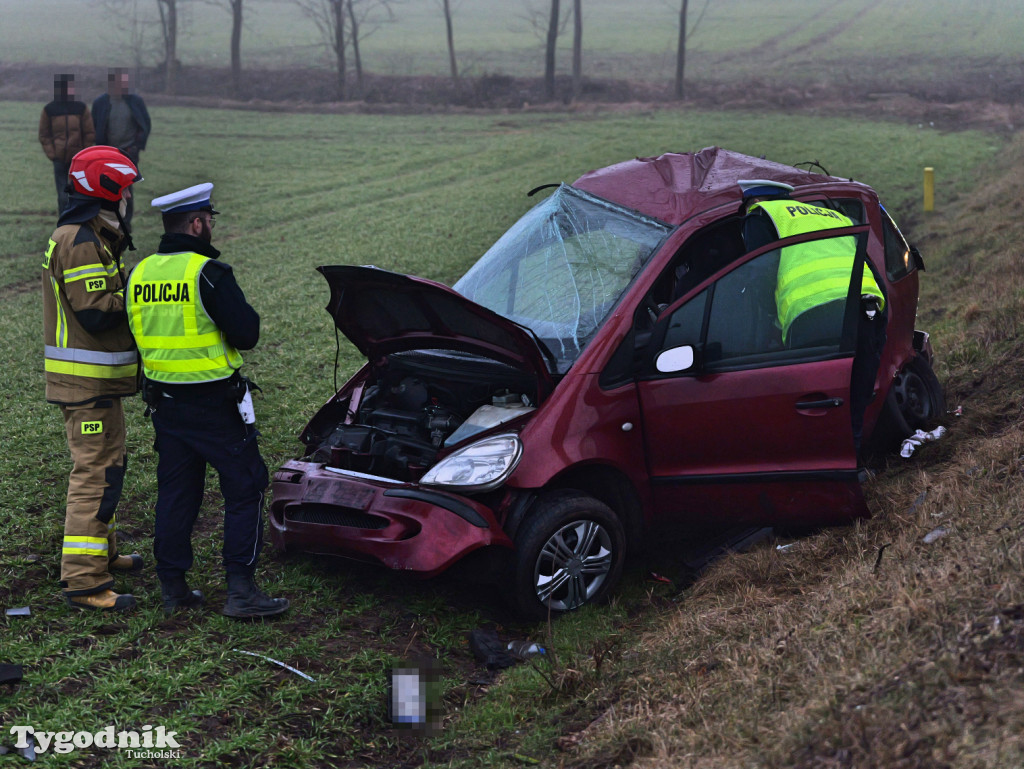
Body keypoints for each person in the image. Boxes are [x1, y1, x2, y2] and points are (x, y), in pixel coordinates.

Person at [125, 183, 289, 619]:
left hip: (166, 405)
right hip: (216, 404)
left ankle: (173, 588)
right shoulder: (207, 273)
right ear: (196, 223)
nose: (212, 226)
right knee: (245, 488)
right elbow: (247, 333)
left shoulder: (139, 274)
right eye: (210, 219)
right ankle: (241, 591)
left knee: (177, 495)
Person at [42, 145, 144, 612]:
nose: (130, 201)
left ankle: (103, 553)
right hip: (86, 386)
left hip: (96, 383)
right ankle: (85, 582)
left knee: (109, 467)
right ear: (109, 192)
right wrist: (141, 294)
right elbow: (97, 311)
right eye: (126, 192)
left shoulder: (92, 234)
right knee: (95, 475)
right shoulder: (80, 239)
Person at [739, 179, 887, 453]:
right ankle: (852, 470)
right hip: (864, 309)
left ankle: (826, 473)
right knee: (854, 395)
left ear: (754, 201)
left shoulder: (762, 215)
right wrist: (880, 323)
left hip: (812, 316)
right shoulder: (834, 215)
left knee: (814, 403)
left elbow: (759, 273)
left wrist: (769, 316)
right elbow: (871, 268)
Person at [92, 69, 151, 228]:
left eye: (125, 82)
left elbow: (145, 124)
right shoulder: (101, 103)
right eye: (120, 82)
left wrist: (136, 146)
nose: (124, 85)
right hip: (107, 153)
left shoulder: (135, 102)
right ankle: (108, 221)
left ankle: (126, 224)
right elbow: (95, 126)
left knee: (126, 189)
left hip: (128, 153)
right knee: (106, 188)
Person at [38, 74, 94, 214]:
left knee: (79, 193)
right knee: (62, 196)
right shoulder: (49, 109)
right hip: (59, 158)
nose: (70, 90)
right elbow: (44, 135)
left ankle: (79, 220)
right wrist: (53, 154)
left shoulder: (81, 108)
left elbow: (89, 133)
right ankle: (65, 223)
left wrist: (84, 153)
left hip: (79, 159)